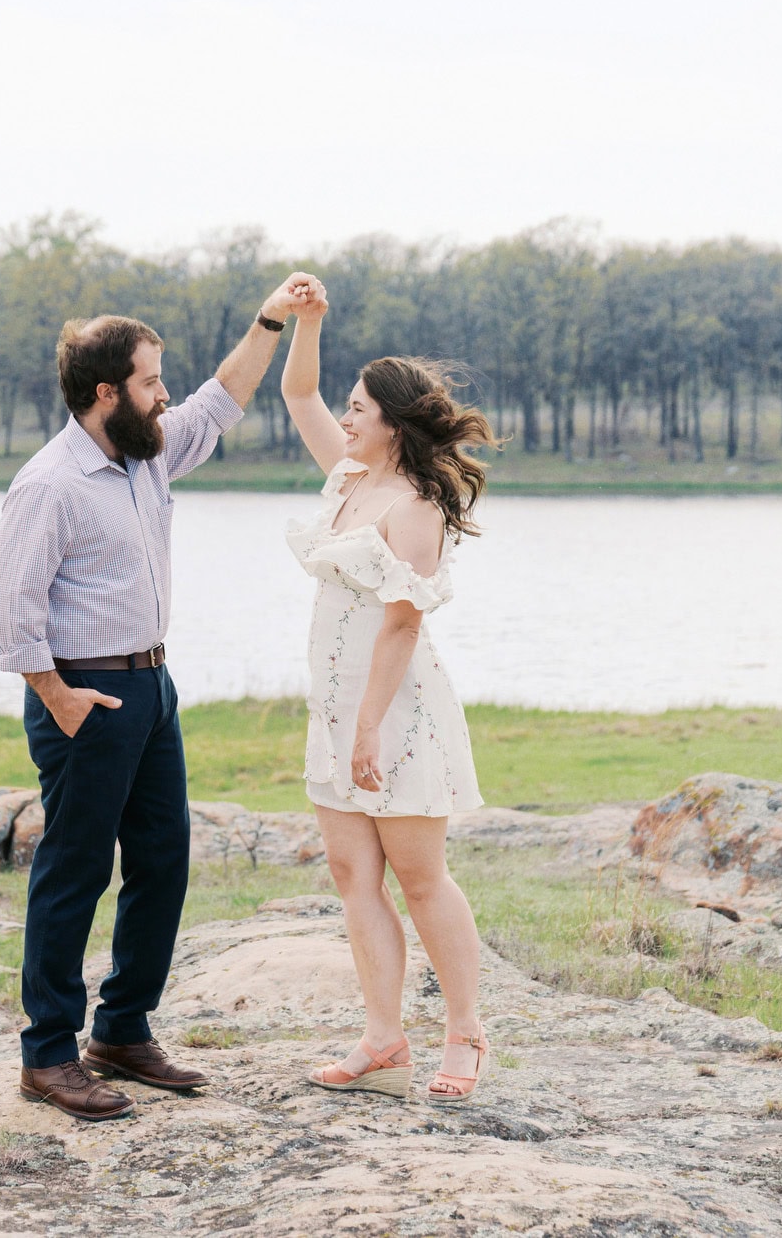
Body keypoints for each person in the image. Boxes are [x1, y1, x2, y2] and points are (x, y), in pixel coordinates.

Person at [0, 272, 321, 1122]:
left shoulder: (147, 453)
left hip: (153, 685)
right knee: (76, 869)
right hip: (86, 693)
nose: (164, 394)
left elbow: (222, 397)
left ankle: (122, 1031)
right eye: (149, 380)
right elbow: (5, 611)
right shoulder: (50, 483)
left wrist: (270, 319)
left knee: (164, 860)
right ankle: (49, 1054)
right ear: (106, 393)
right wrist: (56, 696)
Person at [278, 275, 500, 1105]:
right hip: (336, 707)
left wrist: (368, 730)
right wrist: (309, 320)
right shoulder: (345, 478)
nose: (345, 417)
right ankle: (383, 1038)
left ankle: (466, 1031)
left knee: (419, 876)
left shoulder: (413, 507)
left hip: (395, 711)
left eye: (359, 407)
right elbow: (298, 388)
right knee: (349, 871)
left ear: (395, 423)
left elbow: (401, 629)